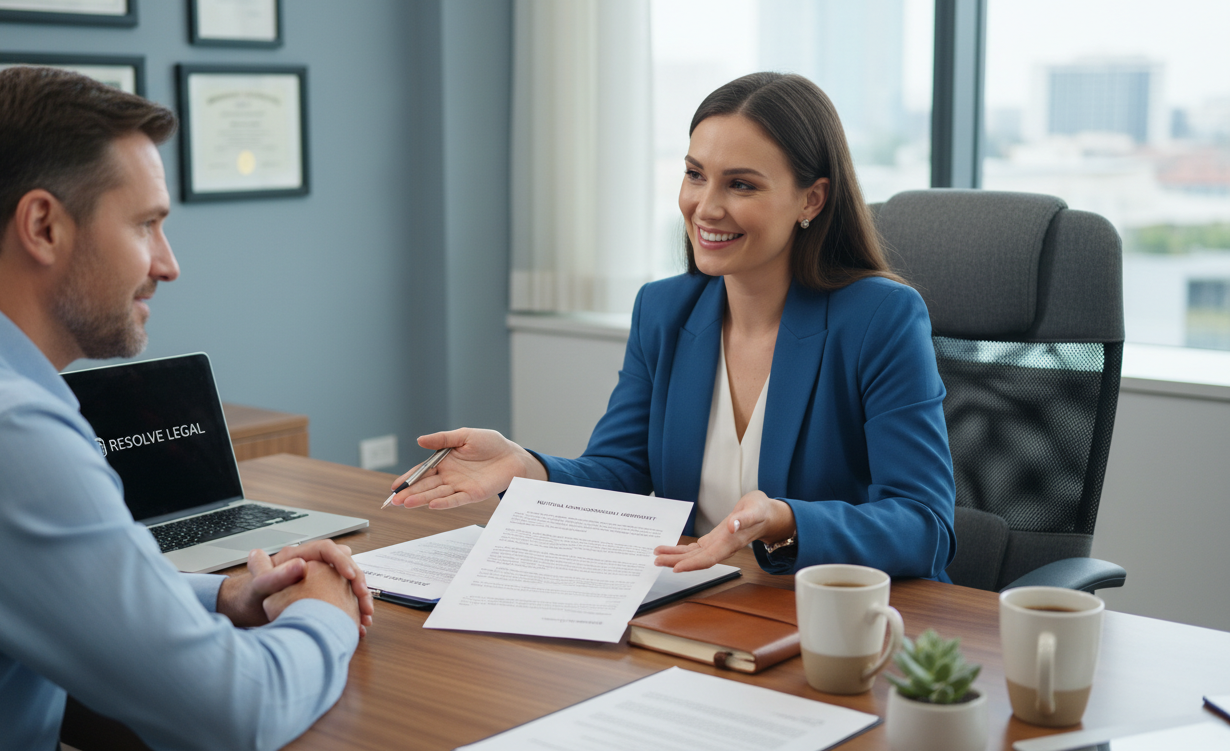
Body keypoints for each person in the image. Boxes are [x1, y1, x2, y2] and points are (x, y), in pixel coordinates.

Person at [0, 68, 374, 750]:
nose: (168, 264)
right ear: (43, 226)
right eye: (146, 225)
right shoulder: (0, 433)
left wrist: (222, 599)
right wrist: (326, 616)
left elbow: (40, 593)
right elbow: (234, 714)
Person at [389, 72, 956, 581]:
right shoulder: (665, 311)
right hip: (702, 608)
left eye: (741, 184)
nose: (705, 207)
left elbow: (925, 523)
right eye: (694, 175)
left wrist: (785, 522)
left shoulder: (880, 318)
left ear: (812, 198)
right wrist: (527, 466)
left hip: (835, 619)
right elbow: (621, 471)